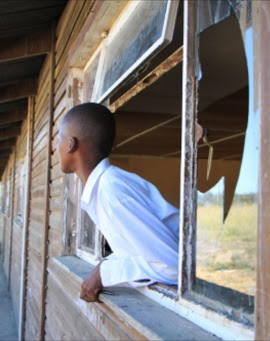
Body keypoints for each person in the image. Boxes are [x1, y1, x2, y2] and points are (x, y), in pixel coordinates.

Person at [56, 103, 179, 303]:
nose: (56, 148)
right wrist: (103, 267)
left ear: (71, 144)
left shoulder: (112, 190)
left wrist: (104, 273)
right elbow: (135, 253)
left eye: (58, 140)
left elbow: (173, 266)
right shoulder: (107, 186)